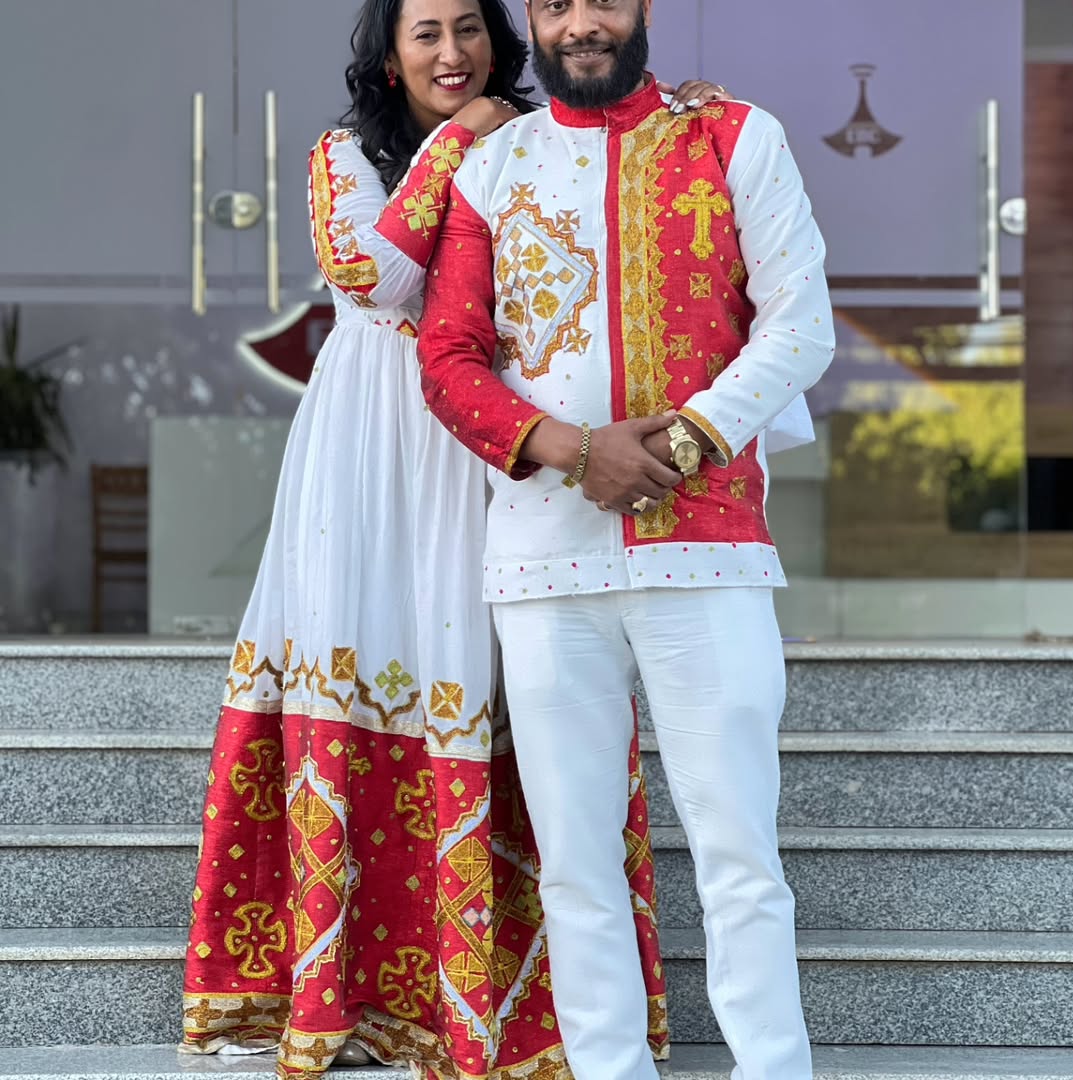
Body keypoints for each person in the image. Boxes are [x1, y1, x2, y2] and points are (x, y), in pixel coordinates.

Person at [179, 1, 728, 1076]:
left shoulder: (537, 135)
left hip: (497, 437)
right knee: (369, 663)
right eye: (424, 32)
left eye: (468, 29)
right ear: (388, 55)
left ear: (498, 41)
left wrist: (675, 117)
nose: (450, 52)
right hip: (371, 448)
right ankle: (355, 993)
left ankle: (505, 1000)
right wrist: (459, 138)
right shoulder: (346, 152)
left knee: (504, 673)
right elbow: (367, 278)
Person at [416, 1, 836, 1077]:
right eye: (556, 3)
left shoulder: (737, 134)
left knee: (740, 850)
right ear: (533, 20)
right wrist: (569, 448)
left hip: (709, 553)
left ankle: (775, 1067)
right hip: (544, 560)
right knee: (575, 863)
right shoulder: (490, 166)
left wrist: (689, 440)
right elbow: (449, 356)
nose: (583, 22)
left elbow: (799, 323)